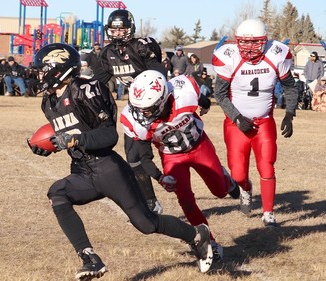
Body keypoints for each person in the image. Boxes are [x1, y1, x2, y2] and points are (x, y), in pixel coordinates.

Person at [27, 43, 214, 280]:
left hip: (108, 168)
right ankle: (90, 259)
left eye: (43, 70)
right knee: (58, 194)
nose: (39, 75)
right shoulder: (48, 101)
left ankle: (197, 235)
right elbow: (67, 134)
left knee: (146, 224)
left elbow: (108, 136)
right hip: (83, 170)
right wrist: (50, 146)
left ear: (58, 70)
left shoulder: (84, 90)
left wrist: (72, 140)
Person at [120, 70, 240, 261]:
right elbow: (143, 157)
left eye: (147, 108)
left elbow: (203, 99)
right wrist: (160, 177)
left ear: (162, 101)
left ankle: (228, 181)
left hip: (199, 146)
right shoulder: (136, 120)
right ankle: (209, 242)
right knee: (185, 200)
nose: (141, 113)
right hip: (171, 156)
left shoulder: (183, 93)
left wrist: (205, 106)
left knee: (219, 191)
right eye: (138, 107)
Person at [212, 19, 298, 227]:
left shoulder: (276, 54)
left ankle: (268, 213)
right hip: (236, 124)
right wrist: (237, 118)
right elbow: (220, 94)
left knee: (267, 167)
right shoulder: (229, 56)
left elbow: (290, 86)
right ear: (237, 41)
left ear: (265, 41)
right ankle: (245, 188)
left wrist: (289, 113)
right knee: (238, 173)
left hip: (264, 122)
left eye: (255, 42)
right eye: (244, 42)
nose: (249, 48)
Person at [92, 9, 166, 214]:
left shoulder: (141, 46)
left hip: (161, 107)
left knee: (177, 152)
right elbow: (96, 84)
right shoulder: (108, 54)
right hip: (136, 111)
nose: (117, 34)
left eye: (121, 29)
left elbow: (159, 73)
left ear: (130, 28)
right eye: (113, 30)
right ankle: (151, 202)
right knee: (134, 160)